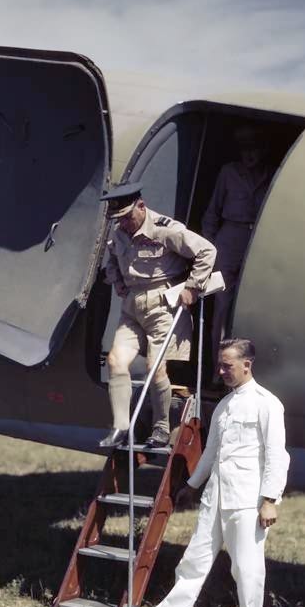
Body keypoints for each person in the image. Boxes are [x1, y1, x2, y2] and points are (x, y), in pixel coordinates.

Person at [135, 338, 288, 607]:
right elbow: (211, 453)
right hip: (215, 498)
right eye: (220, 364)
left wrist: (269, 501)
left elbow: (277, 455)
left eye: (227, 365)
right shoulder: (224, 405)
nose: (221, 371)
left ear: (247, 365)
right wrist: (191, 487)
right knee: (194, 559)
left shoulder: (266, 403)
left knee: (246, 569)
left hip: (247, 501)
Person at [100, 181, 216, 450]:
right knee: (116, 360)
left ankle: (161, 427)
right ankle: (120, 427)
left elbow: (206, 251)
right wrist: (117, 280)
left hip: (163, 305)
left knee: (155, 367)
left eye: (128, 217)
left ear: (141, 206)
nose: (125, 224)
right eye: (119, 219)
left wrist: (192, 286)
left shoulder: (165, 230)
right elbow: (113, 260)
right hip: (132, 305)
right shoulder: (119, 233)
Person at [202, 126, 274, 351]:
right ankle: (217, 371)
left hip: (257, 242)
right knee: (222, 307)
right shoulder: (228, 173)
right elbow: (211, 214)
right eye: (245, 149)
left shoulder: (272, 173)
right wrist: (212, 250)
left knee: (250, 307)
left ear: (263, 150)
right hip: (229, 240)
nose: (249, 155)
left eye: (254, 149)